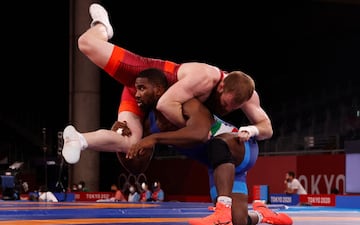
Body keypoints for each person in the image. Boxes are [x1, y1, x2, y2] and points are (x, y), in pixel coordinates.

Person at [62, 3, 272, 165]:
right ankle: (102, 26)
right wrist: (195, 129)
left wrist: (252, 130)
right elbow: (164, 104)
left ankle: (79, 140)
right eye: (226, 103)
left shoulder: (247, 94)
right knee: (86, 43)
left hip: (148, 98)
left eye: (233, 108)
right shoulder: (204, 77)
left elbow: (267, 128)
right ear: (221, 86)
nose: (226, 109)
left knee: (130, 143)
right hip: (149, 79)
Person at [125, 68, 292, 225]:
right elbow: (137, 165)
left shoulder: (188, 104)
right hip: (221, 167)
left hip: (241, 147)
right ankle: (262, 214)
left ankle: (221, 212)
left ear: (159, 89)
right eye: (137, 89)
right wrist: (123, 137)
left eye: (142, 88)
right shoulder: (148, 125)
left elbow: (200, 134)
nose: (137, 94)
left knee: (216, 144)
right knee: (239, 222)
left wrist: (154, 139)